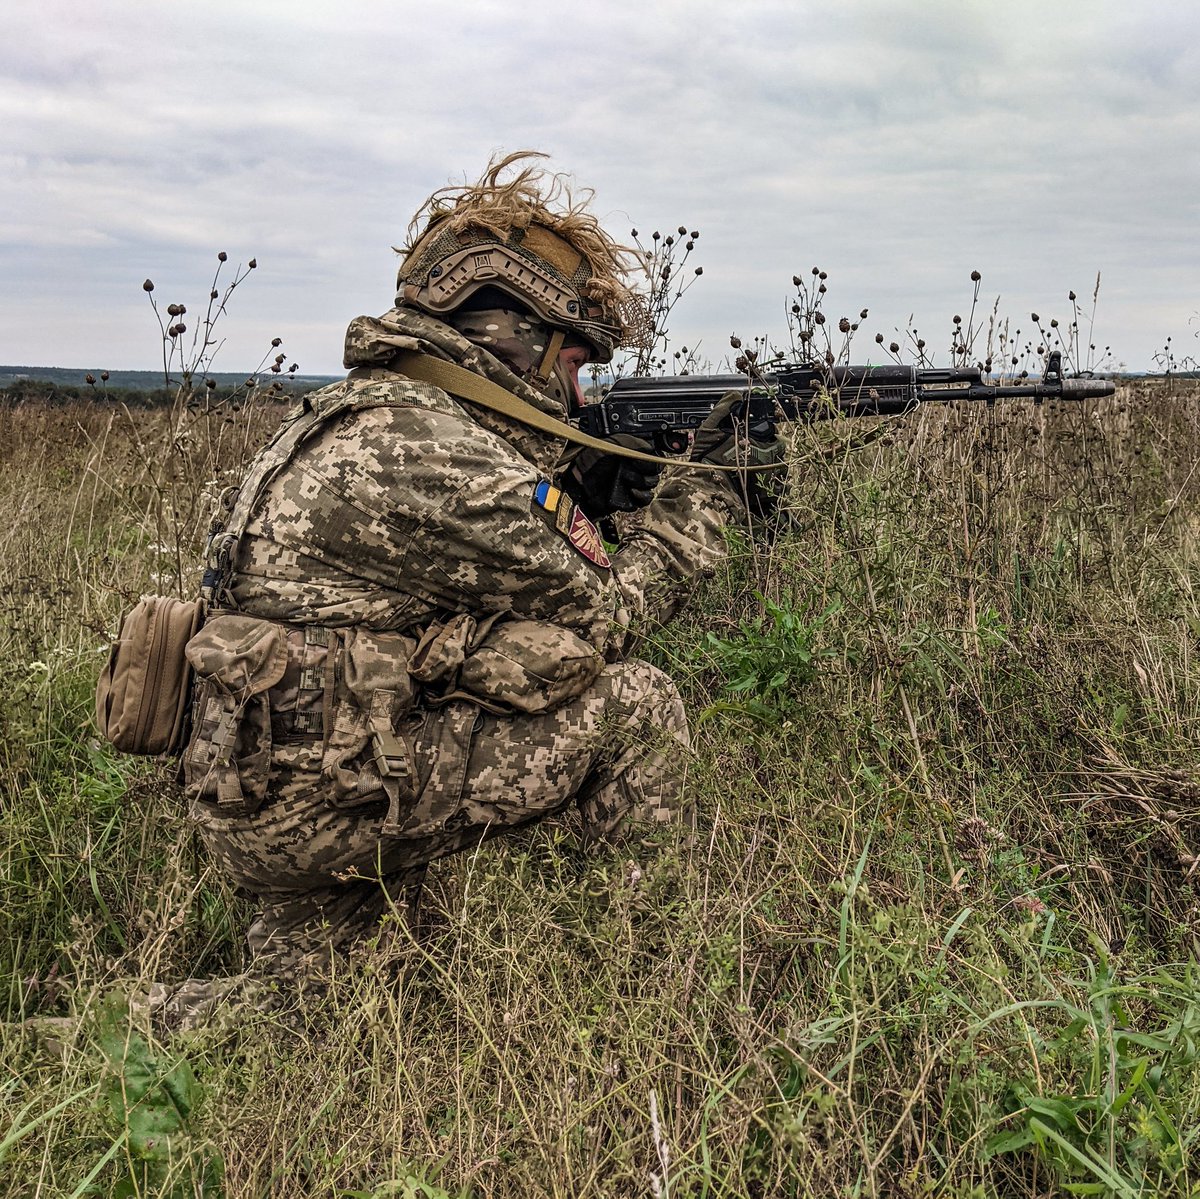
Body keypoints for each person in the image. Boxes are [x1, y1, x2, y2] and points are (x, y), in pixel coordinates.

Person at [165, 152, 785, 1023]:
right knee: (635, 707)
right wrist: (708, 499)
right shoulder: (431, 450)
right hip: (317, 797)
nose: (576, 393)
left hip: (265, 781)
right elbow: (608, 609)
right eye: (575, 363)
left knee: (333, 1016)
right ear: (512, 336)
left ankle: (79, 1042)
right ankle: (661, 992)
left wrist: (578, 490)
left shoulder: (364, 412)